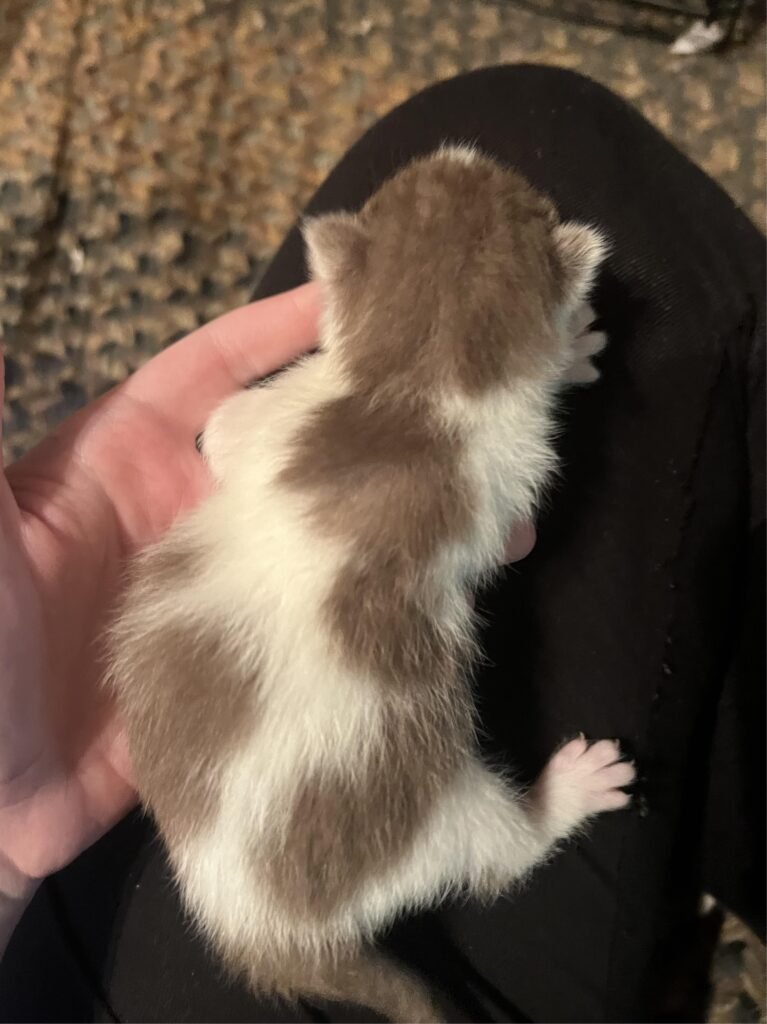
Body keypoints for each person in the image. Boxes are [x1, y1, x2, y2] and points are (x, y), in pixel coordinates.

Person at [0, 64, 763, 1023]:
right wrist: (543, 353)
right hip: (295, 860)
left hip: (202, 844)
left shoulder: (295, 430)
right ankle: (537, 824)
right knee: (471, 817)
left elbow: (234, 436)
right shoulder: (492, 475)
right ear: (573, 271)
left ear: (337, 270)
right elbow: (477, 447)